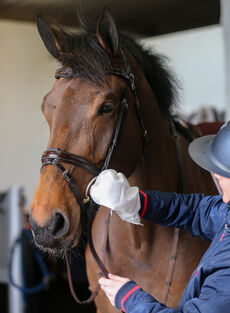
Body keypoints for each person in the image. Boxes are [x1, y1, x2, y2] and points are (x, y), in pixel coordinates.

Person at [89, 120, 230, 313]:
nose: (215, 174)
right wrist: (135, 202)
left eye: (223, 171)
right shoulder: (227, 212)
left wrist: (130, 299)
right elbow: (196, 211)